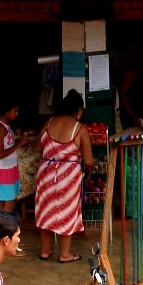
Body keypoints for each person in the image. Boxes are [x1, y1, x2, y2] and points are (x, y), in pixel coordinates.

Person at [35, 90, 94, 263]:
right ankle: (65, 253)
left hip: (46, 173)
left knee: (46, 209)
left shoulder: (49, 122)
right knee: (67, 211)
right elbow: (89, 160)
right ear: (78, 110)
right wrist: (89, 170)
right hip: (69, 177)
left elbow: (39, 146)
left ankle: (45, 251)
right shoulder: (80, 128)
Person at [0, 98, 32, 233]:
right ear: (6, 111)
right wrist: (20, 144)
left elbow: (10, 144)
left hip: (9, 169)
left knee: (4, 205)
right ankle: (5, 236)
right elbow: (0, 154)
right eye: (15, 111)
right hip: (4, 170)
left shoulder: (5, 125)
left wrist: (22, 140)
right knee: (8, 206)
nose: (17, 113)